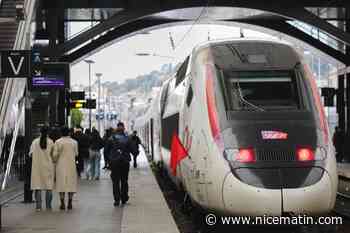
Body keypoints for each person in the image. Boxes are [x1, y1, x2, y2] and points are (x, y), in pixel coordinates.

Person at [105, 122, 138, 206]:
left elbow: (105, 151)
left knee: (115, 181)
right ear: (124, 128)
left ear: (117, 128)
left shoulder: (111, 139)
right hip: (124, 163)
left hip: (114, 163)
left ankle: (116, 200)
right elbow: (134, 151)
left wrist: (109, 161)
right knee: (124, 181)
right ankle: (124, 198)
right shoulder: (128, 139)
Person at [29, 126, 55, 211]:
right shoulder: (51, 142)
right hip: (48, 167)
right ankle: (48, 206)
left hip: (37, 167)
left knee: (38, 186)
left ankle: (38, 207)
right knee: (48, 187)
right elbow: (53, 155)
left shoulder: (34, 142)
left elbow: (31, 154)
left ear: (40, 132)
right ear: (48, 133)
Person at [54, 126, 79, 210]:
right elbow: (76, 154)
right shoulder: (74, 142)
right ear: (69, 133)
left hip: (60, 165)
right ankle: (70, 202)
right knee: (70, 183)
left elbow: (55, 155)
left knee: (61, 183)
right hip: (71, 164)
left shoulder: (57, 142)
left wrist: (55, 160)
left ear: (61, 133)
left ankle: (62, 203)